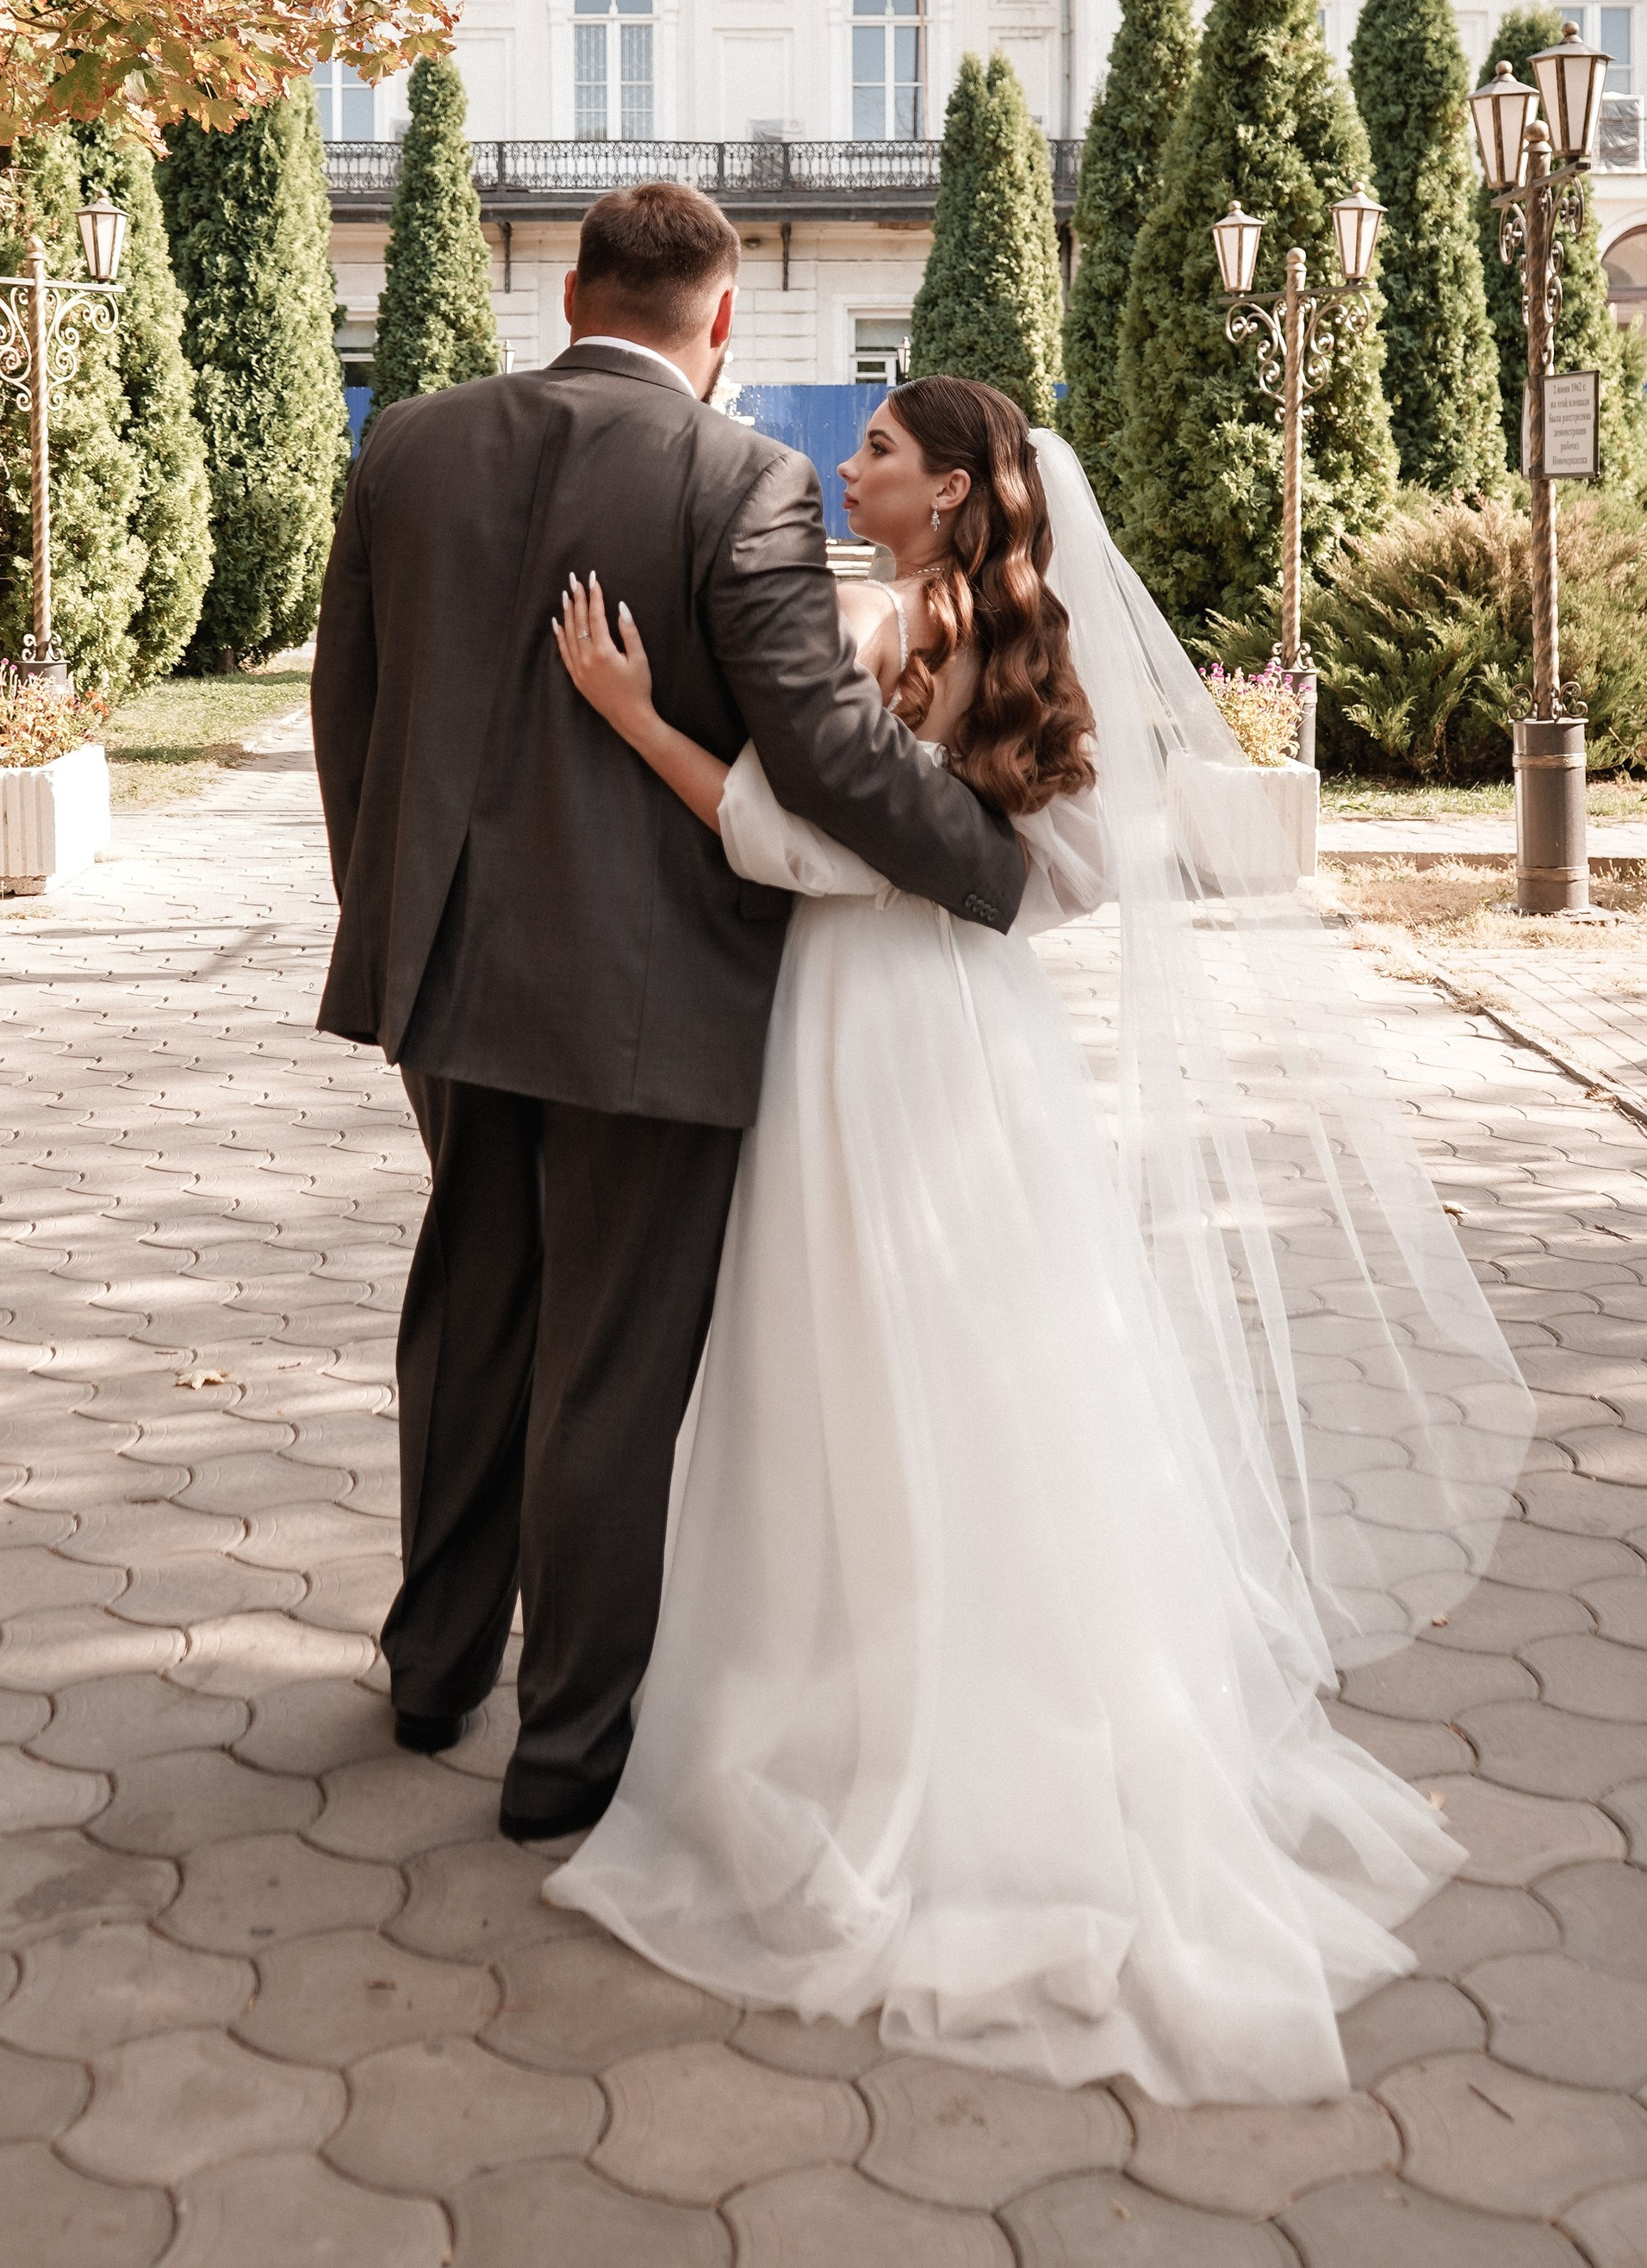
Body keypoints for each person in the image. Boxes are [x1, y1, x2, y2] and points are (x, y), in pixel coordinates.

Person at [540, 376, 1533, 2098]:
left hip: (854, 1030)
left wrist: (630, 712)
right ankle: (1021, 1696)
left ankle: (861, 1711)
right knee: (992, 1357)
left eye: (872, 452)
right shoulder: (1022, 640)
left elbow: (774, 833)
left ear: (939, 492)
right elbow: (1063, 874)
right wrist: (929, 870)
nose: (841, 468)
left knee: (844, 1351)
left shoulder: (878, 636)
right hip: (978, 1036)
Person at [310, 184, 1024, 1843]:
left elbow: (351, 714)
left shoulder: (406, 441)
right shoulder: (741, 477)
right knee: (616, 1370)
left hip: (448, 982)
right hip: (656, 1003)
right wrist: (992, 869)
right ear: (722, 327)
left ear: (568, 290)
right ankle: (563, 1754)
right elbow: (828, 748)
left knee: (469, 1315)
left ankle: (430, 1674)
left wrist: (394, 929)